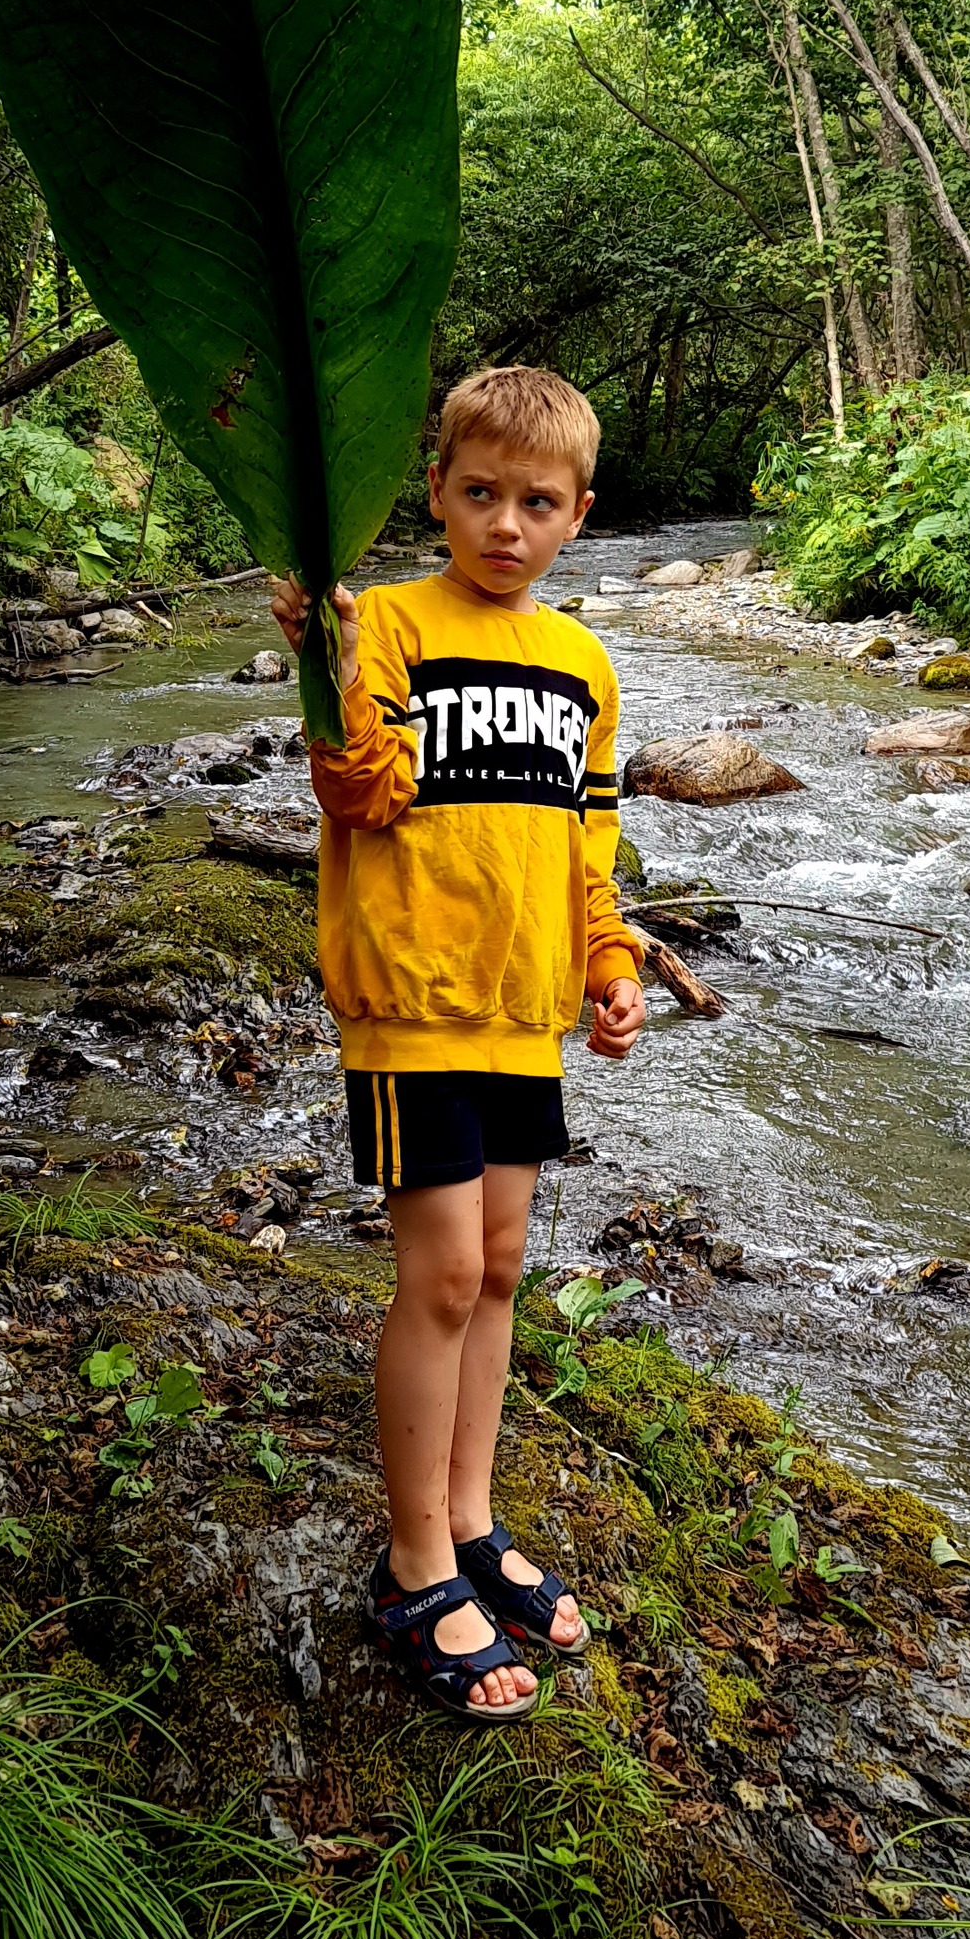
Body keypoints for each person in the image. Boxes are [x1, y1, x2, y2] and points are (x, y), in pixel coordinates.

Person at [269, 363, 646, 1722]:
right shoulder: (398, 628)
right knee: (433, 1279)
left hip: (521, 1010)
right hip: (411, 1004)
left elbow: (588, 847)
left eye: (534, 501)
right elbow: (360, 792)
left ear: (577, 515)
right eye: (478, 492)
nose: (503, 522)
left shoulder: (584, 663)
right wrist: (330, 663)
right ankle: (414, 1555)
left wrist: (608, 966)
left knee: (496, 1270)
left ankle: (472, 1514)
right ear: (434, 490)